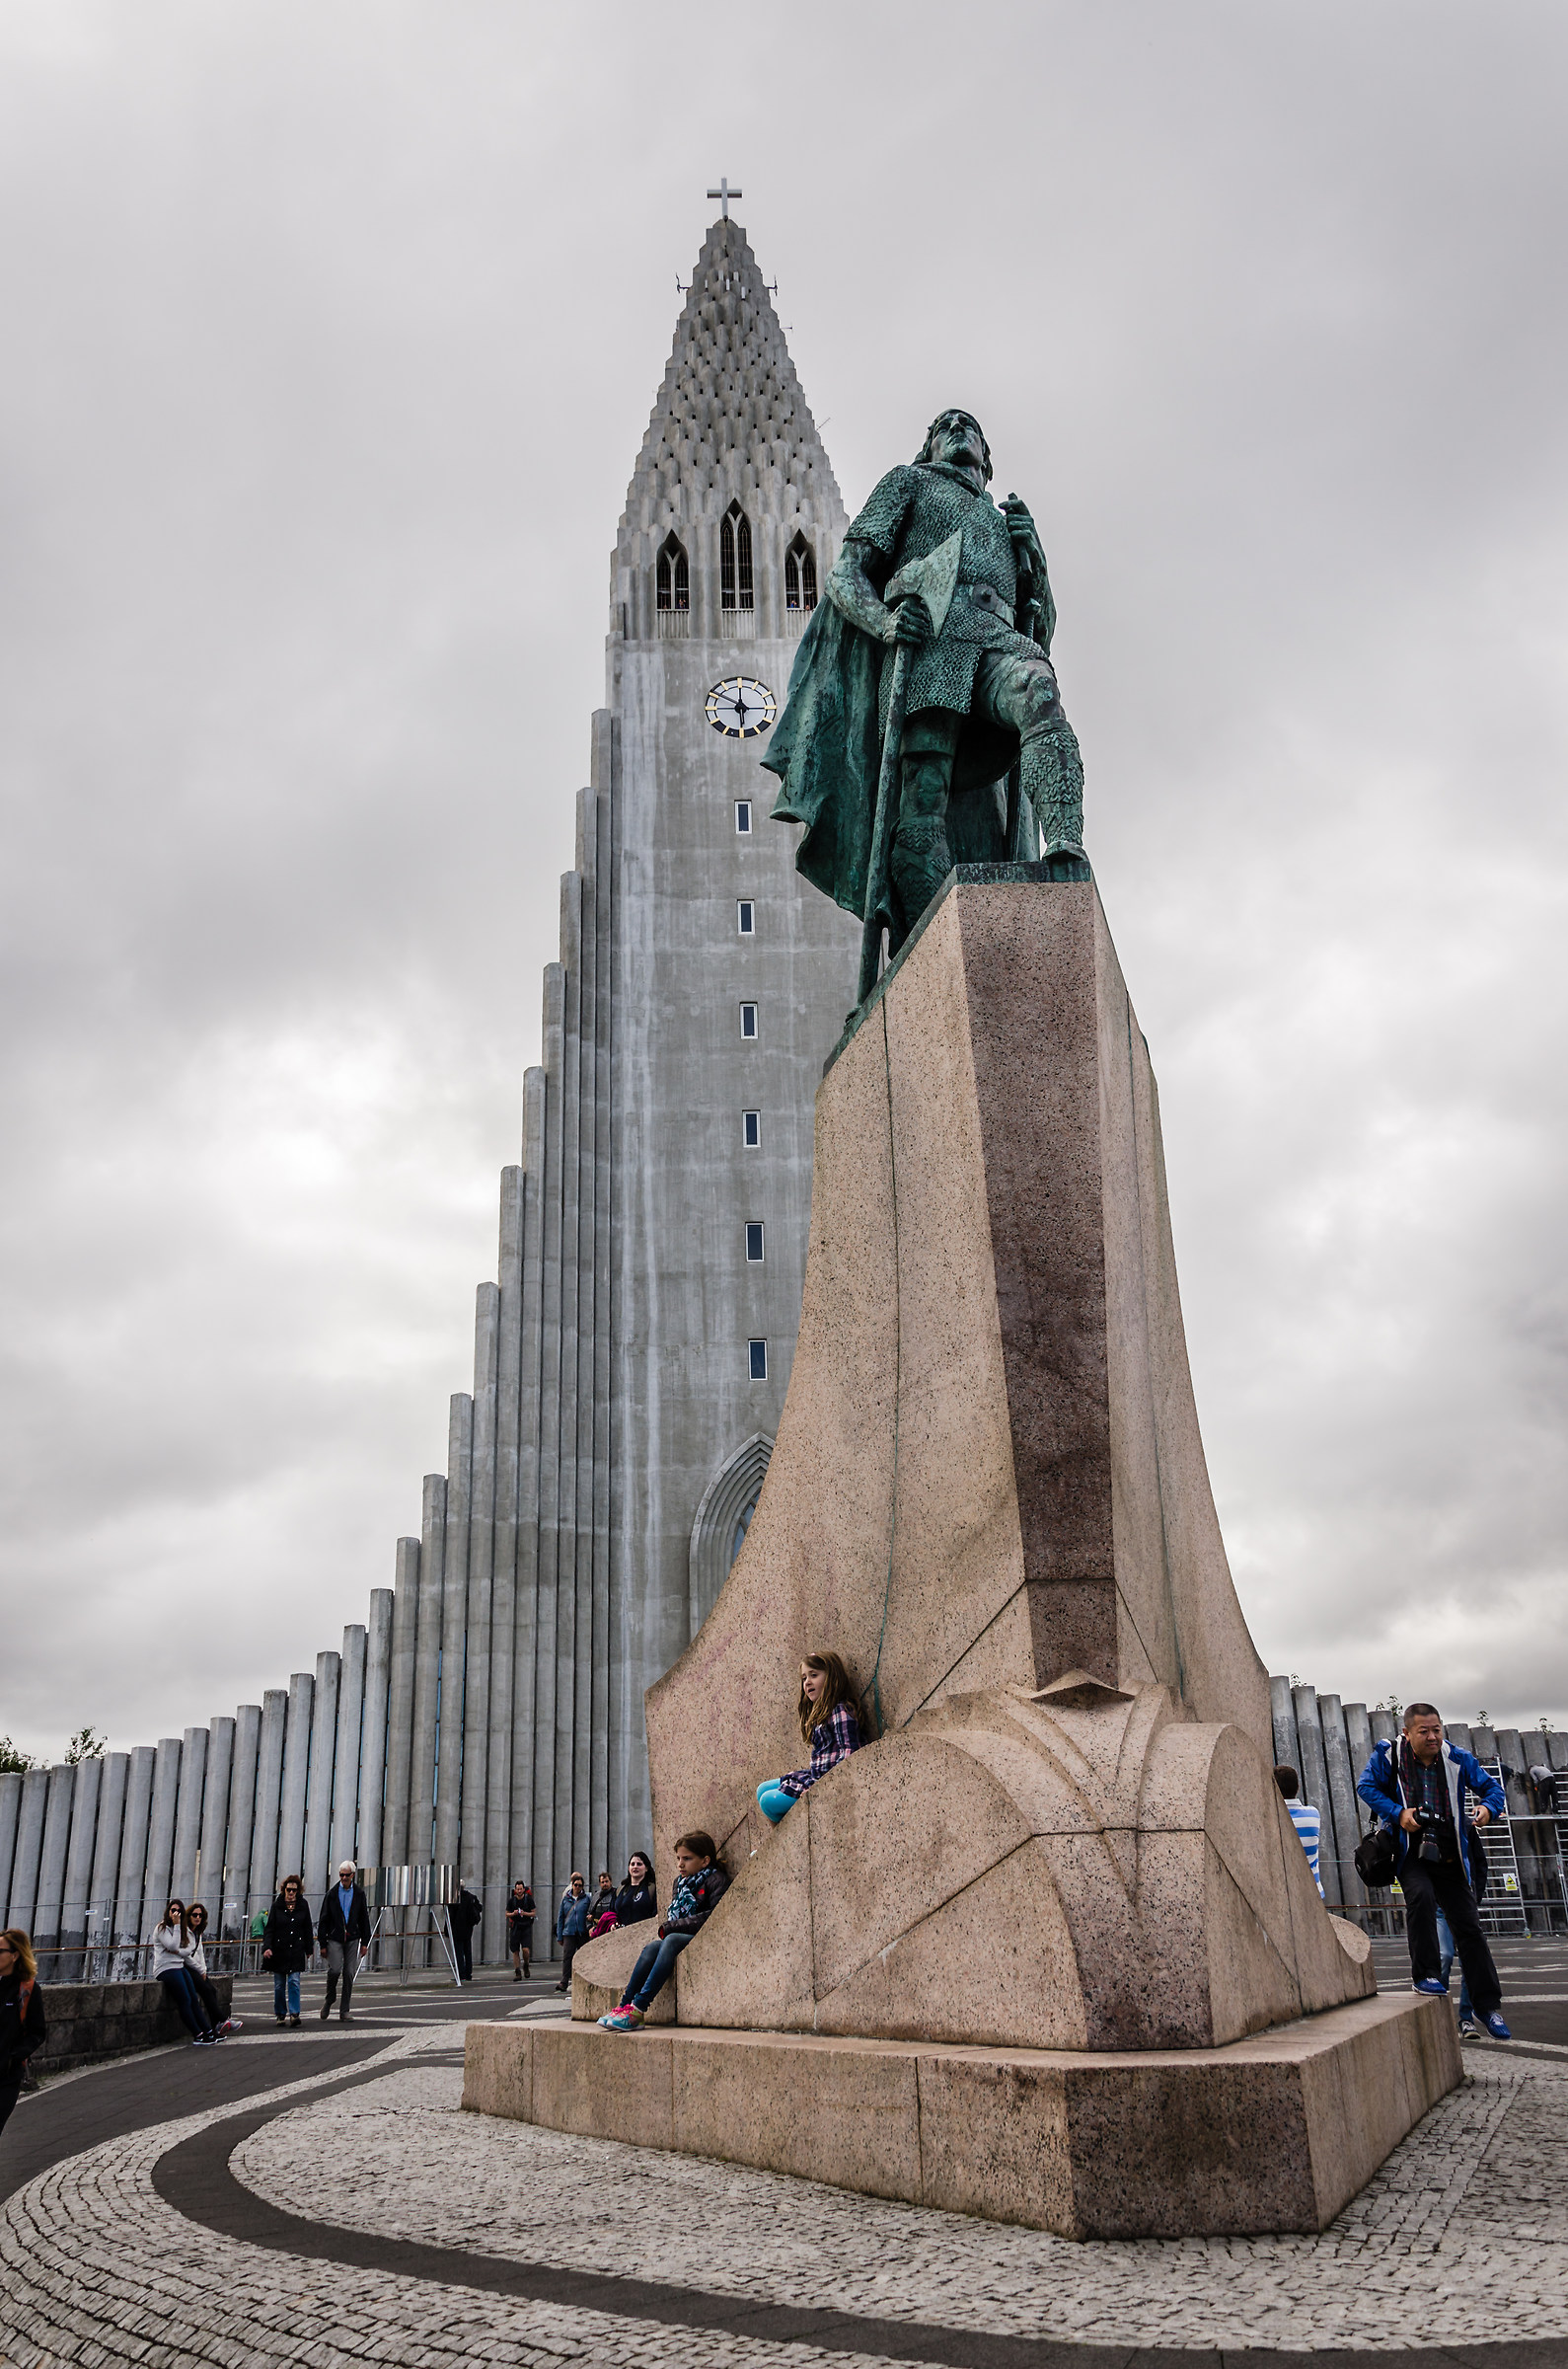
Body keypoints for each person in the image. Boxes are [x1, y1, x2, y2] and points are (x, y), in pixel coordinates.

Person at [764, 408, 1086, 966]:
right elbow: (846, 573)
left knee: (1041, 695)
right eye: (945, 426)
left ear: (987, 456)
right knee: (923, 800)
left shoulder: (1008, 523)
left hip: (996, 641)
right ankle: (929, 945)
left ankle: (1063, 846)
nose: (958, 430)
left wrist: (1035, 560)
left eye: (969, 426)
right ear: (929, 447)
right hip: (931, 647)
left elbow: (1043, 628)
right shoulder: (908, 483)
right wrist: (885, 622)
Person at [1357, 1704, 1511, 2039]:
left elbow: (1493, 1789)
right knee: (1421, 1898)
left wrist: (1488, 1808)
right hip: (1410, 1849)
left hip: (1450, 1850)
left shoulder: (1458, 1758)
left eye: (1437, 1730)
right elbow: (1365, 1787)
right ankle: (1424, 1975)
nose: (1432, 1737)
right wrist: (1398, 1813)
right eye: (1424, 1731)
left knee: (1470, 1928)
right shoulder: (1389, 1755)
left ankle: (1486, 2006)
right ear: (1406, 1732)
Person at [598, 1833, 729, 2032]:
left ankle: (638, 2008)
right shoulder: (680, 1882)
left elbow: (714, 1915)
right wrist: (673, 1926)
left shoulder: (716, 1879)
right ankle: (624, 2006)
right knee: (652, 1947)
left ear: (705, 1861)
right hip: (681, 1931)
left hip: (703, 1935)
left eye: (687, 1858)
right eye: (678, 1858)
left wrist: (674, 1926)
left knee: (671, 1939)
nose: (680, 1864)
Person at [757, 1652, 863, 1825]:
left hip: (827, 1780)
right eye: (804, 1678)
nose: (807, 1682)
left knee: (768, 1802)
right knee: (761, 1789)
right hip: (815, 1775)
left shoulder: (840, 1711)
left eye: (814, 1675)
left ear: (832, 1678)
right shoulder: (822, 1715)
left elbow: (850, 1755)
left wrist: (821, 1788)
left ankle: (797, 1830)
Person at [150, 1899, 218, 2044]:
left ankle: (208, 2030)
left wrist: (178, 1950)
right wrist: (176, 1926)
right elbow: (173, 1945)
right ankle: (198, 2034)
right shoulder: (162, 1928)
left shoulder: (181, 1929)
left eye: (179, 1911)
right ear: (168, 1911)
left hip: (179, 1965)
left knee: (193, 1998)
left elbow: (188, 1949)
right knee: (185, 2000)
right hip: (166, 1968)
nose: (176, 1913)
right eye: (173, 1910)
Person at [0, 1929, 46, 2133]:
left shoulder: (27, 1990)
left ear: (15, 1955)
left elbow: (37, 2032)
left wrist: (13, 2056)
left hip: (6, 2077)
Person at [317, 1859, 371, 2021]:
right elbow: (323, 1919)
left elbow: (364, 1918)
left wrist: (365, 1942)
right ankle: (330, 1998)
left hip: (353, 1937)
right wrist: (322, 1944)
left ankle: (345, 2010)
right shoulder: (332, 1894)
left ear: (352, 1875)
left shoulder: (359, 1894)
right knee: (334, 1970)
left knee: (349, 1973)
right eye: (341, 1875)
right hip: (335, 1937)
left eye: (347, 1875)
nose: (344, 1878)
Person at [261, 1874, 316, 2027]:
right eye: (289, 1890)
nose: (291, 1893)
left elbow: (307, 1927)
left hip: (296, 1949)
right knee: (279, 1985)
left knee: (294, 1982)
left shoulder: (303, 1905)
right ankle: (280, 2013)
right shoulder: (277, 1905)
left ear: (298, 1891)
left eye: (294, 1890)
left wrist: (309, 1948)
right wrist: (267, 1947)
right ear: (284, 1889)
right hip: (279, 1950)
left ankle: (294, 2013)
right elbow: (270, 1929)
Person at [185, 1902, 242, 2036]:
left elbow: (200, 1953)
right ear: (189, 1916)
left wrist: (203, 1970)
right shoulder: (185, 1932)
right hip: (187, 1967)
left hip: (197, 1969)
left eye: (200, 1915)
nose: (198, 1917)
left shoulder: (197, 1933)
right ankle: (222, 2020)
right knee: (205, 1990)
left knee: (212, 1990)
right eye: (195, 1915)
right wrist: (200, 1970)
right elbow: (186, 1956)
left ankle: (216, 2025)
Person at [1273, 1766, 1323, 1898]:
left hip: (1283, 1894)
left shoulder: (1270, 1819)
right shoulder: (1313, 1814)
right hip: (1313, 1893)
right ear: (1298, 1787)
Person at [1436, 1905, 1477, 2039]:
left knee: (1470, 1962)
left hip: (1464, 1909)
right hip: (1440, 1911)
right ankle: (1442, 2012)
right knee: (1445, 1956)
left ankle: (1467, 2018)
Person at [555, 1872, 592, 1992]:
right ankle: (564, 1981)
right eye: (576, 1885)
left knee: (584, 1957)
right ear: (572, 1885)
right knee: (567, 1957)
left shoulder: (587, 1899)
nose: (577, 1887)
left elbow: (590, 1912)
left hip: (582, 1932)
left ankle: (585, 1981)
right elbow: (560, 1917)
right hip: (569, 1932)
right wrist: (559, 1935)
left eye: (580, 1885)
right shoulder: (566, 1899)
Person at [448, 1882, 483, 1983]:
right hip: (468, 1927)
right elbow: (479, 1907)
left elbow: (451, 1915)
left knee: (459, 1952)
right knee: (467, 1951)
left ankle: (461, 1974)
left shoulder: (455, 1899)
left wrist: (447, 1929)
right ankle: (468, 1973)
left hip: (457, 1928)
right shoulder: (471, 1897)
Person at [613, 1852, 657, 1928]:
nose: (635, 1867)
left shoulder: (652, 1889)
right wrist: (612, 1924)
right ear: (628, 1868)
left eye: (639, 1864)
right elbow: (611, 1911)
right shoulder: (620, 1889)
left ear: (646, 1868)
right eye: (632, 1864)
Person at [506, 1879, 535, 1981]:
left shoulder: (529, 1900)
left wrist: (524, 1913)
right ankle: (517, 1971)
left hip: (526, 1926)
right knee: (515, 1951)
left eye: (521, 1889)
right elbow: (507, 1914)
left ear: (523, 1889)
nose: (519, 1891)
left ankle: (526, 1964)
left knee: (525, 1949)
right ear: (515, 1890)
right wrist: (513, 1913)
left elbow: (533, 1913)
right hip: (515, 1927)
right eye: (517, 1889)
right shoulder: (511, 1901)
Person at [588, 1871, 618, 1939]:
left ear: (610, 1882)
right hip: (597, 1929)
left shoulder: (616, 1894)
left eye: (606, 1881)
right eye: (602, 1882)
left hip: (610, 1928)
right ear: (600, 1884)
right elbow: (589, 1913)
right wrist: (589, 1927)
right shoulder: (596, 1896)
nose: (605, 1884)